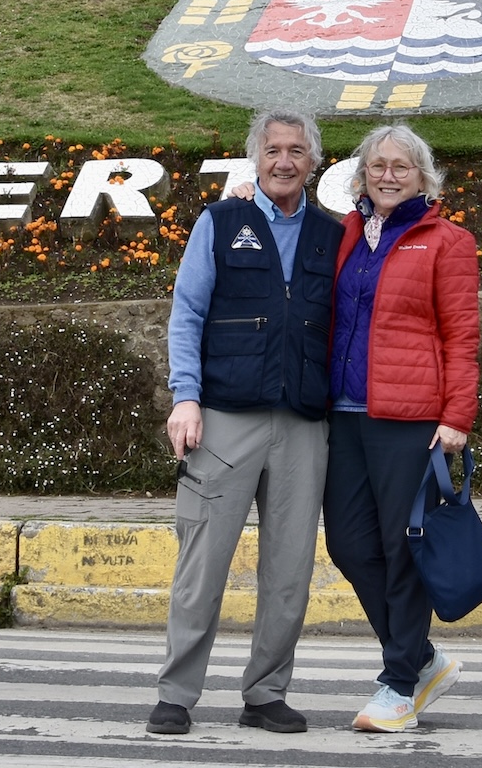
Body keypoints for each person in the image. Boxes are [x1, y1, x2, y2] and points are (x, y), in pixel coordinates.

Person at [149, 110, 343, 737]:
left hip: (303, 426)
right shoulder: (219, 221)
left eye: (296, 151)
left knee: (289, 573)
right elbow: (187, 314)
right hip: (225, 420)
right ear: (254, 159)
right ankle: (176, 694)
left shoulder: (333, 233)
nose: (283, 161)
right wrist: (186, 398)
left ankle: (265, 694)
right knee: (202, 566)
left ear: (314, 161)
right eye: (272, 150)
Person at [324, 123, 481, 733]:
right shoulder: (340, 236)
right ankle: (422, 659)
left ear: (423, 175)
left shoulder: (446, 241)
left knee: (400, 548)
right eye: (378, 165)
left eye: (402, 166)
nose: (388, 175)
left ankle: (397, 684)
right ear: (362, 174)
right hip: (341, 414)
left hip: (409, 419)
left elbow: (462, 335)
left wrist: (455, 418)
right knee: (349, 544)